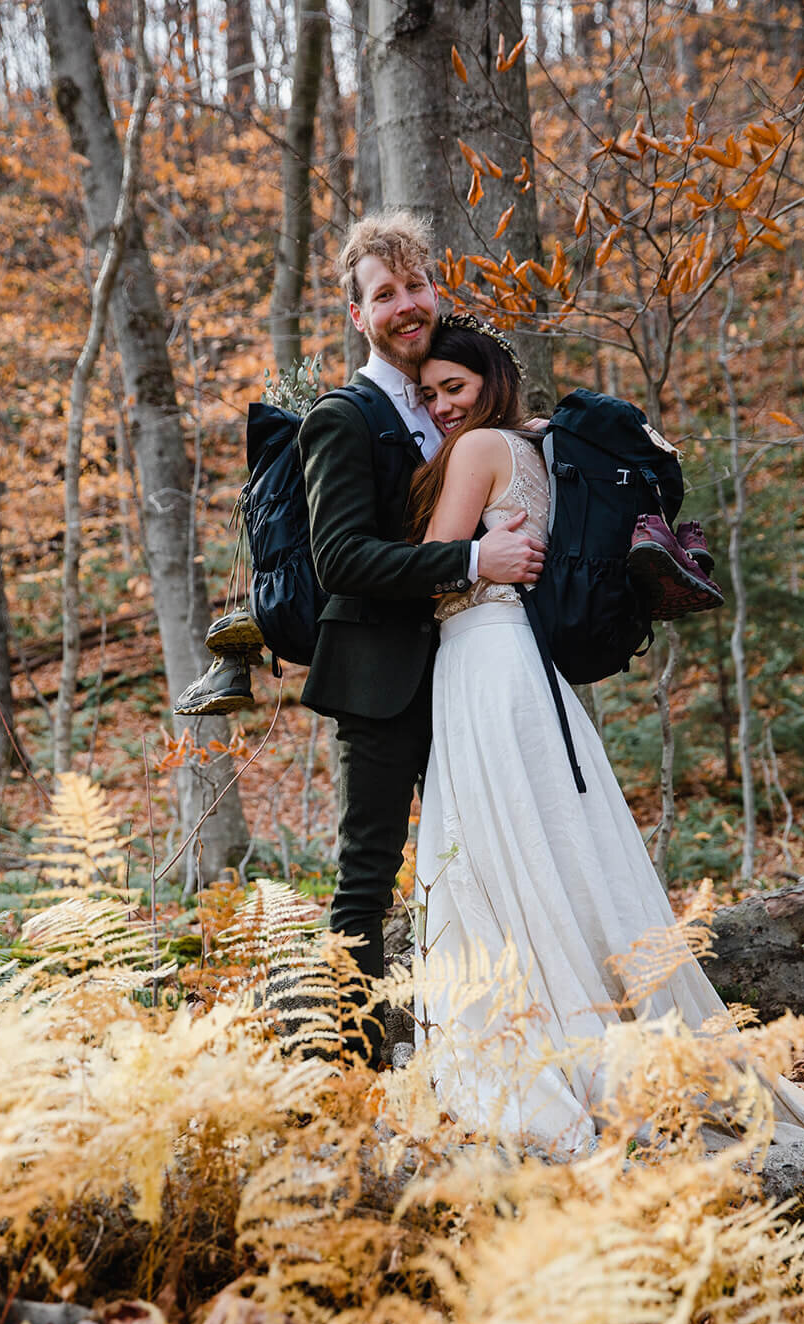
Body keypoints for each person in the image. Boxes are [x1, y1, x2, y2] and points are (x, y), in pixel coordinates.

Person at [409, 313, 804, 1157]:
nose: (443, 405)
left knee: (492, 848)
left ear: (491, 382)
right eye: (428, 395)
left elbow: (429, 565)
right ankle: (600, 1028)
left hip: (483, 664)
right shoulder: (541, 452)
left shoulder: (482, 450)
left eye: (454, 387)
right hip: (526, 671)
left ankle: (535, 1044)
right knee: (551, 846)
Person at [292, 212, 545, 1059]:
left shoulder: (455, 395)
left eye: (415, 286)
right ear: (357, 316)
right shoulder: (343, 415)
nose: (406, 305)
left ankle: (494, 1041)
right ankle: (348, 1065)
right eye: (383, 294)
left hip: (473, 671)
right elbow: (340, 558)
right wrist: (472, 557)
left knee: (482, 856)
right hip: (382, 677)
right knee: (367, 875)